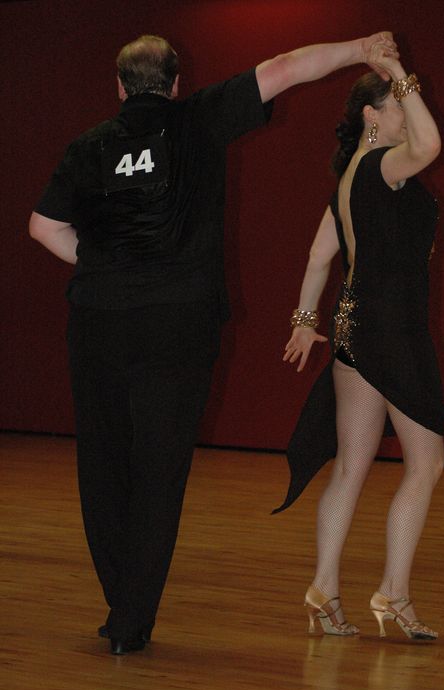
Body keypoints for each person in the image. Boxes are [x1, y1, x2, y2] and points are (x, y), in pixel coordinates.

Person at [28, 31, 399, 655]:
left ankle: (121, 603)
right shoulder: (197, 120)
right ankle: (130, 620)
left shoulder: (88, 147)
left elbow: (43, 226)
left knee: (103, 464)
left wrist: (105, 267)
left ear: (118, 87)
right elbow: (286, 68)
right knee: (160, 468)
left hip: (98, 322)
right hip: (177, 325)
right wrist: (361, 48)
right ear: (176, 83)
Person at [275, 41, 444, 641]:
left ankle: (324, 589)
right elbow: (431, 145)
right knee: (426, 462)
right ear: (372, 115)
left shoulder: (350, 179)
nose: (407, 112)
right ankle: (393, 593)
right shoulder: (382, 167)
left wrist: (304, 319)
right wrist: (397, 72)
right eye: (397, 104)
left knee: (352, 466)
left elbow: (319, 254)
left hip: (353, 327)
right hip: (393, 331)